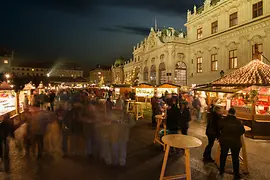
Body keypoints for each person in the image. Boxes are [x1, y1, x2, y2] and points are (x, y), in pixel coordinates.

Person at [218, 108, 245, 180]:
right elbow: (242, 131)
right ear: (235, 113)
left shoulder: (223, 120)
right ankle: (236, 174)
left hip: (224, 141)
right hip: (235, 142)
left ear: (228, 112)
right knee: (235, 158)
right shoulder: (238, 122)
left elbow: (219, 128)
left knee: (223, 156)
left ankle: (221, 170)